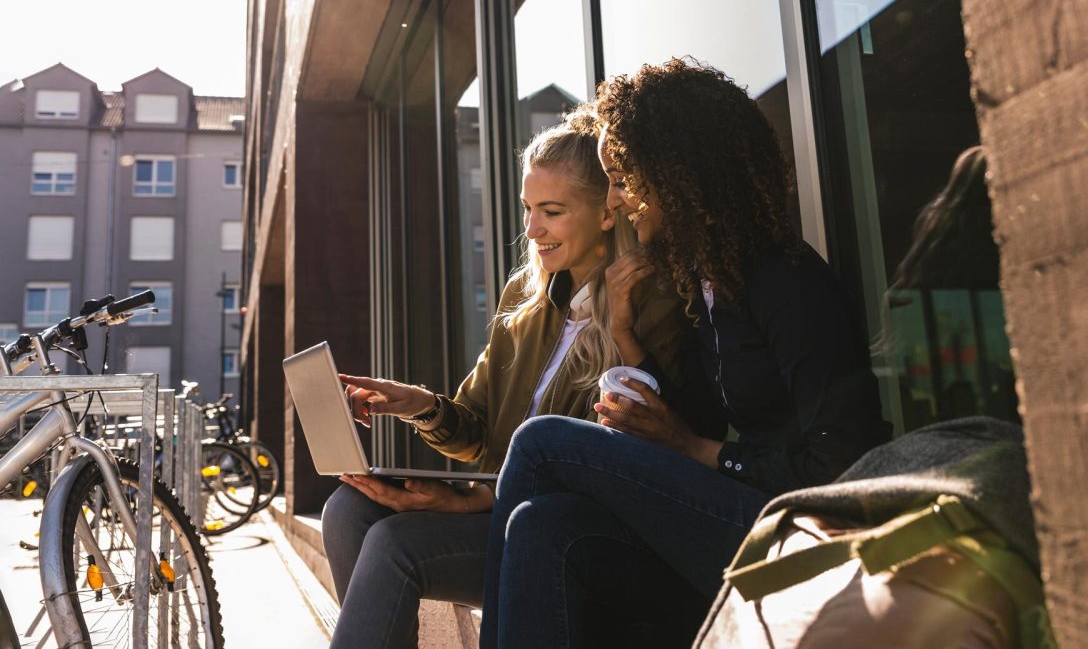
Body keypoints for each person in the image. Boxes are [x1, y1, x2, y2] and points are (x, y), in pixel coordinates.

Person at [479, 58, 892, 648]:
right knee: (544, 526)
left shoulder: (785, 279)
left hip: (800, 533)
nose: (617, 201)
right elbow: (691, 419)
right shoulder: (706, 282)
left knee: (540, 441)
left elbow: (842, 461)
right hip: (733, 516)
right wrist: (626, 338)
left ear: (677, 174)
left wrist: (701, 450)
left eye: (624, 179)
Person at [321, 106, 689, 648]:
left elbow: (610, 467)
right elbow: (477, 430)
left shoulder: (652, 304)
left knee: (395, 543)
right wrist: (418, 404)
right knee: (346, 509)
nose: (532, 229)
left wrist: (467, 503)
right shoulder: (527, 297)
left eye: (552, 211)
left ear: (607, 212)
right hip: (494, 509)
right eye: (528, 209)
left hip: (557, 530)